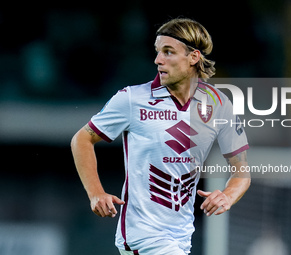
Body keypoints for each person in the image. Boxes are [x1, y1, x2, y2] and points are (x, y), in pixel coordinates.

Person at [71, 18, 250, 255]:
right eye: (157, 52)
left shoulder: (219, 104)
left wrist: (227, 195)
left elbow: (242, 173)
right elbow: (82, 139)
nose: (158, 60)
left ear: (193, 57)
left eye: (168, 52)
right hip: (143, 237)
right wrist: (96, 193)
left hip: (181, 238)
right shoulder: (132, 99)